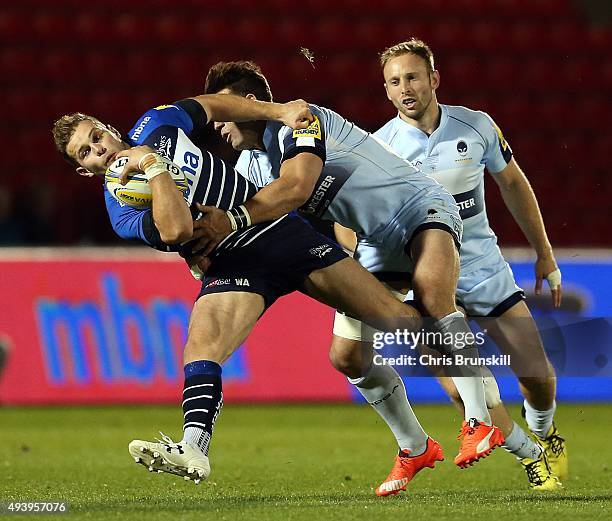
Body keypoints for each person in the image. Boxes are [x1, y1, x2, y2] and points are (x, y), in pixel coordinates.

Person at [51, 94, 436, 487]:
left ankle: (477, 397)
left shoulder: (155, 124)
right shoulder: (122, 211)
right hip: (233, 261)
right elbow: (177, 230)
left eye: (96, 137)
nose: (99, 149)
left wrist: (278, 112)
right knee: (202, 347)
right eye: (87, 153)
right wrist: (152, 166)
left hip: (275, 231)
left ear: (110, 130)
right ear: (86, 171)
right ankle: (193, 447)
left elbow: (214, 106)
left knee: (397, 318)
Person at [197, 61, 504, 495]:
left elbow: (297, 188)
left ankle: (479, 420)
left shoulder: (301, 121)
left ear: (249, 104)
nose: (219, 127)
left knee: (435, 299)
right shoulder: (251, 167)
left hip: (420, 208)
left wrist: (232, 220)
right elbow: (257, 226)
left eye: (222, 112)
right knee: (347, 356)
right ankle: (414, 447)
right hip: (373, 244)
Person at [363, 38, 565, 491]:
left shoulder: (476, 127)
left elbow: (513, 183)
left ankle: (546, 433)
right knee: (461, 389)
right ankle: (531, 458)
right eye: (393, 82)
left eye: (412, 77)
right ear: (386, 90)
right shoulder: (379, 148)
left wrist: (545, 253)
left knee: (536, 374)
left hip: (482, 269)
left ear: (434, 79)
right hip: (425, 282)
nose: (404, 88)